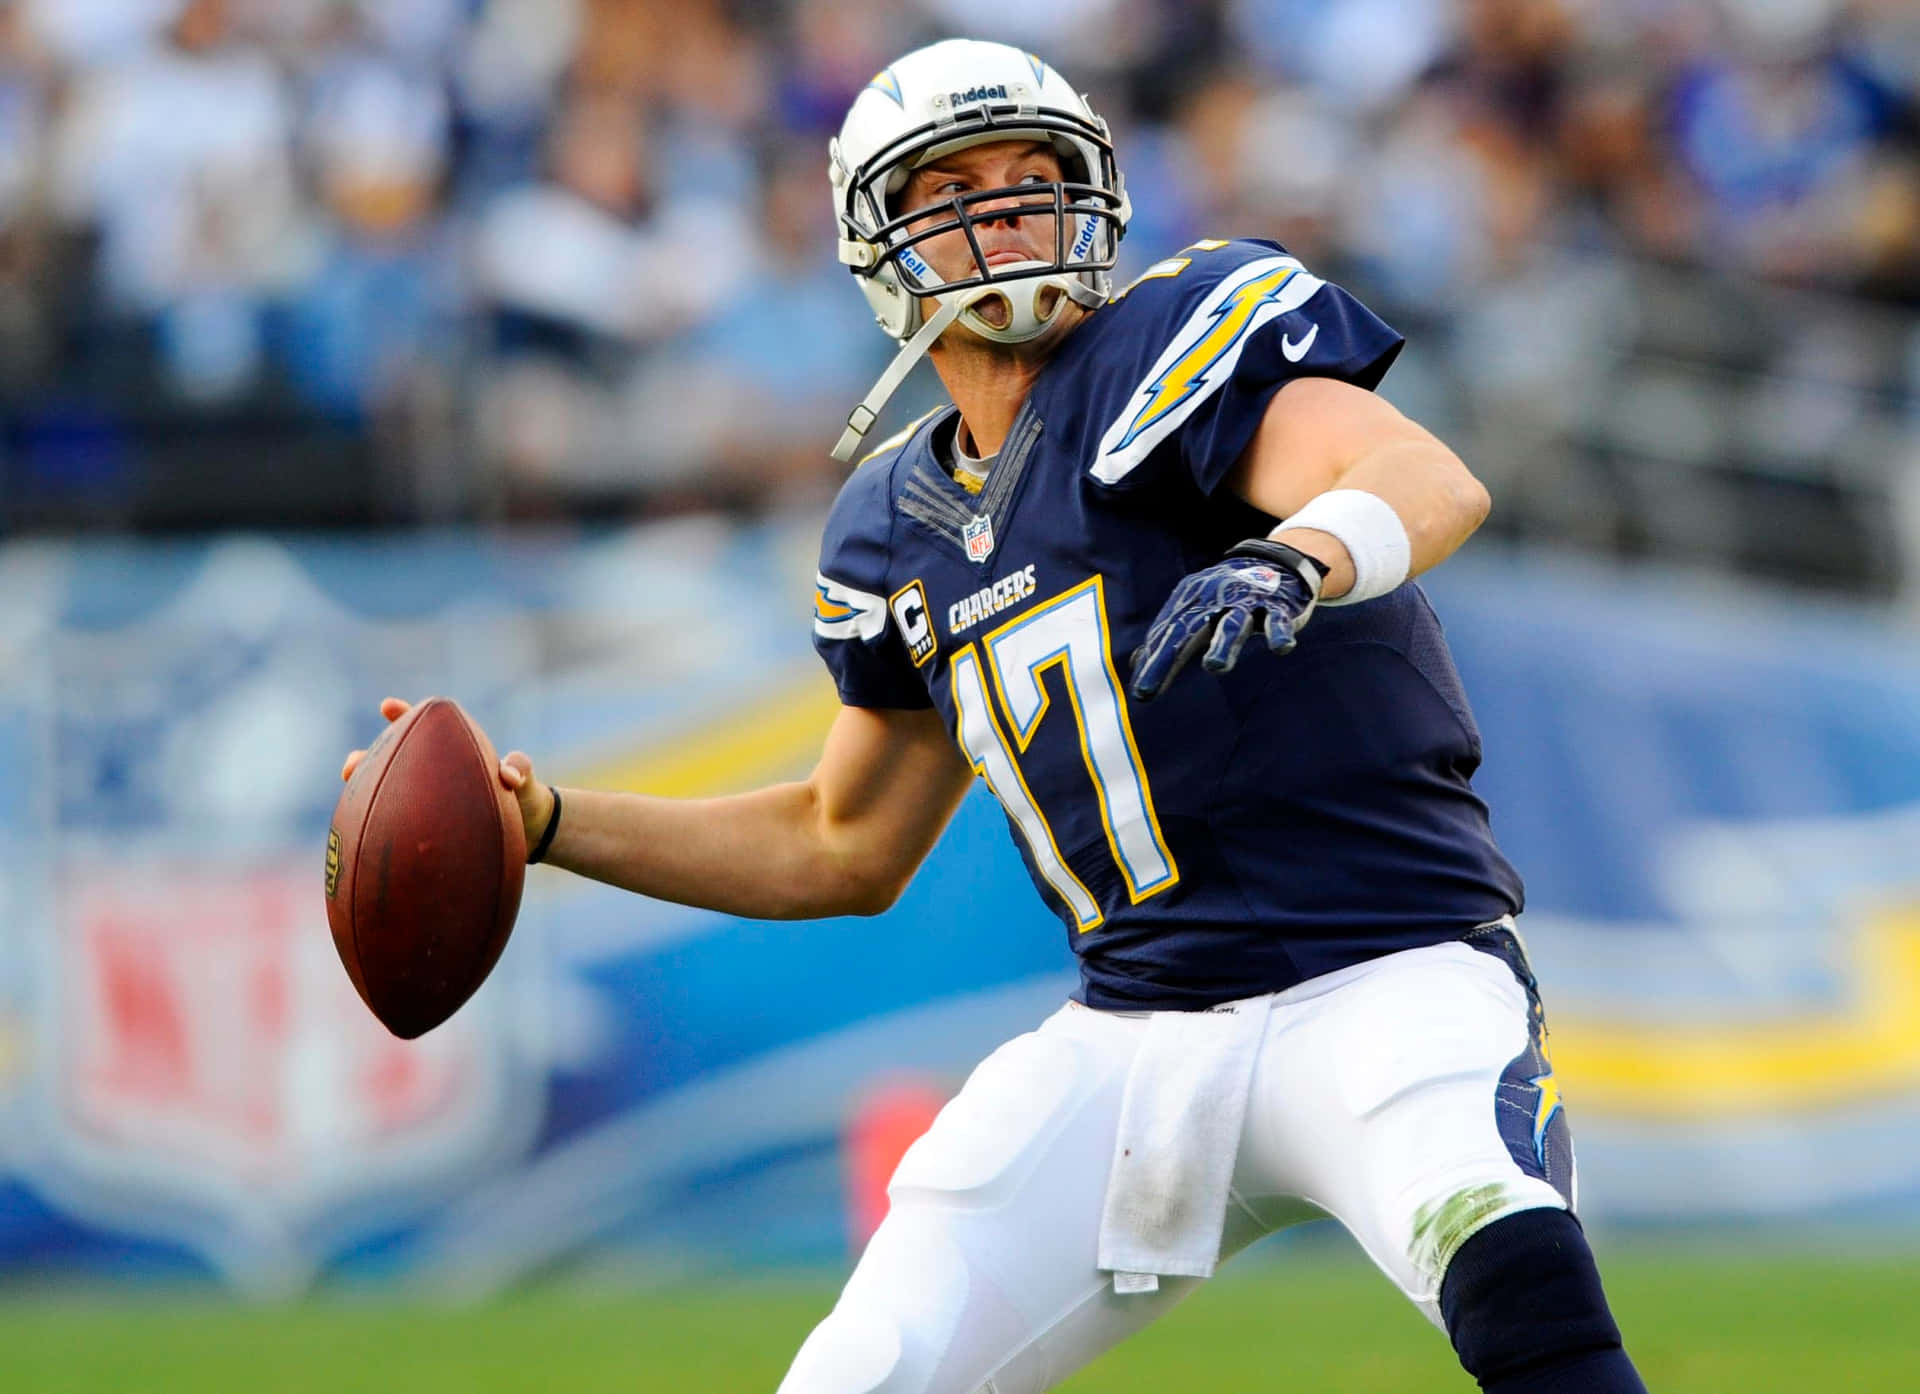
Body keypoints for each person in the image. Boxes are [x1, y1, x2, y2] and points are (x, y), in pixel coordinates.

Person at [345, 37, 1646, 1394]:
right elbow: (836, 844)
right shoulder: (888, 531)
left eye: (1035, 174)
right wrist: (544, 818)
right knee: (859, 1375)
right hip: (1136, 1030)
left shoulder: (1176, 335)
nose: (1008, 205)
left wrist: (1294, 554)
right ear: (877, 240)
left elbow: (1418, 474)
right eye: (954, 183)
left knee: (1522, 1293)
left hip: (1389, 969)